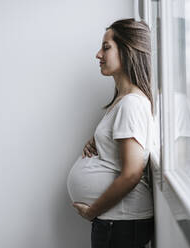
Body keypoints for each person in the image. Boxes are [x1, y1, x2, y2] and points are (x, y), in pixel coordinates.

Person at [69, 18, 155, 248]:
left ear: (127, 51)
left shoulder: (131, 104)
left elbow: (131, 174)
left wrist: (92, 211)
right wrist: (97, 141)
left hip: (121, 222)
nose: (98, 55)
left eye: (106, 47)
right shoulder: (122, 102)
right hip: (116, 221)